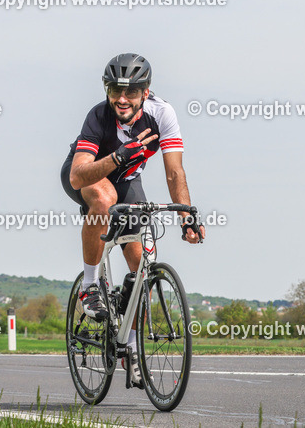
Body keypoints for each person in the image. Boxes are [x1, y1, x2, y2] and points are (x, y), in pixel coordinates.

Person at [61, 53, 203, 388]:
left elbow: (174, 171)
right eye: (114, 90)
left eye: (131, 91)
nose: (121, 98)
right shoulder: (98, 116)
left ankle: (130, 346)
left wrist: (186, 215)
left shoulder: (162, 114)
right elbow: (79, 175)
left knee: (141, 266)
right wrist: (118, 156)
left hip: (128, 183)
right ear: (107, 90)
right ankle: (90, 284)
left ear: (146, 91)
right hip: (90, 175)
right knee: (104, 198)